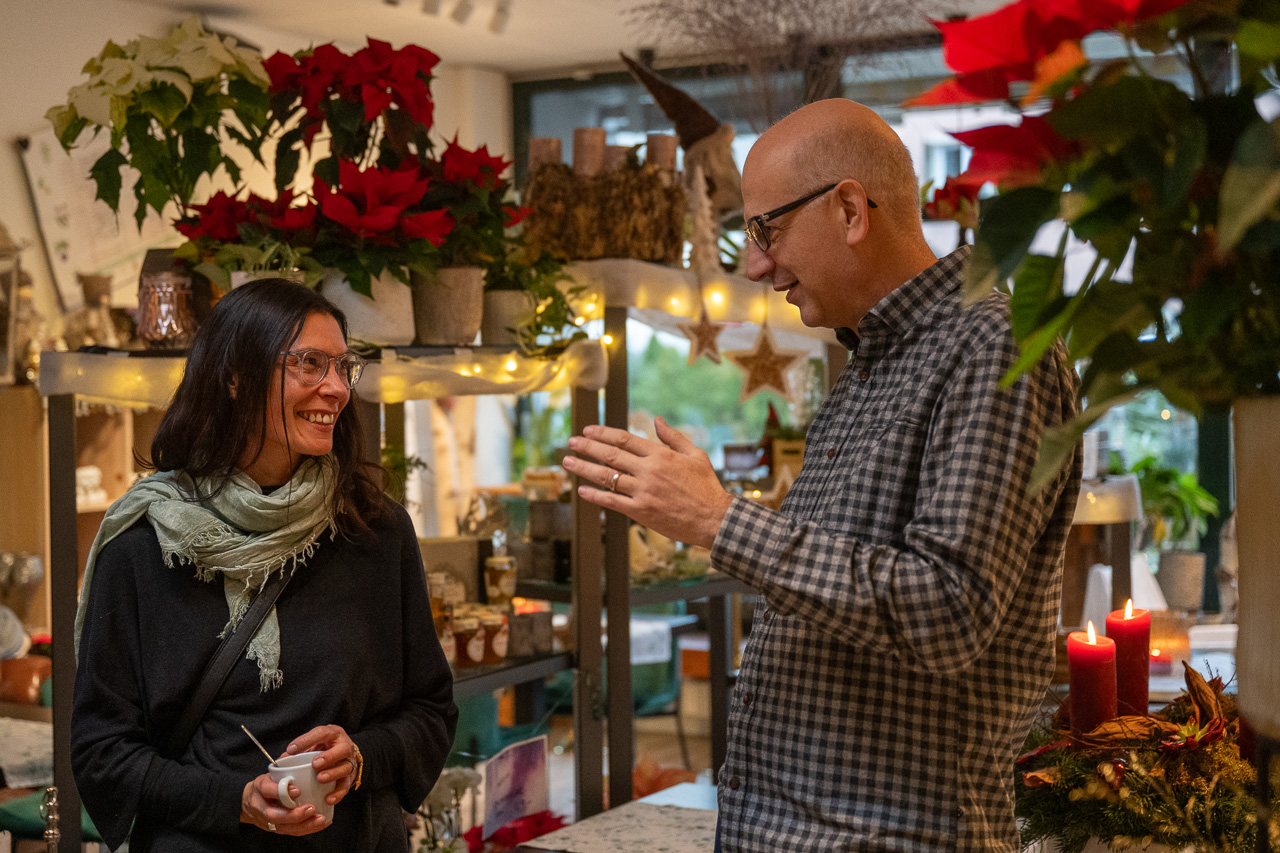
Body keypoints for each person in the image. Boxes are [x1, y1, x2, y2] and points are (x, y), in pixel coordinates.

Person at [562, 99, 1081, 852]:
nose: (756, 265)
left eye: (765, 229)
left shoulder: (993, 344)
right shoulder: (871, 360)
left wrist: (719, 521)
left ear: (848, 210)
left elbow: (949, 610)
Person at [72, 279, 457, 852]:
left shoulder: (371, 530)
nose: (336, 389)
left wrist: (359, 760)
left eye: (342, 366)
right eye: (309, 364)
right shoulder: (145, 546)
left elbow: (430, 710)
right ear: (235, 376)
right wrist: (235, 803)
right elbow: (103, 753)